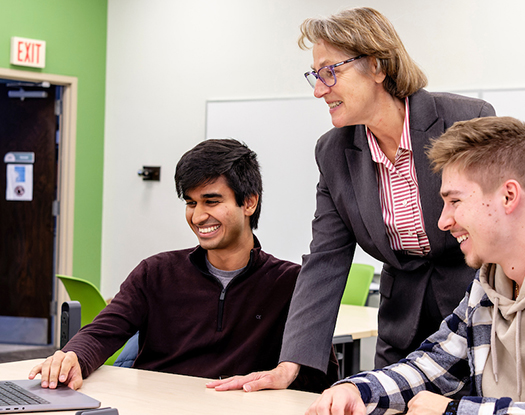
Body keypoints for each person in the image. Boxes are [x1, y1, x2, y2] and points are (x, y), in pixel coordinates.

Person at [208, 7, 495, 393]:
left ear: (377, 65)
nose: (318, 89)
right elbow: (326, 258)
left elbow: (514, 220)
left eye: (330, 72)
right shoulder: (333, 152)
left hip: (480, 317)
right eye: (315, 75)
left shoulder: (466, 119)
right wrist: (290, 363)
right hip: (401, 327)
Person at [305, 116, 525, 415]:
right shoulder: (488, 284)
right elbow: (432, 366)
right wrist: (356, 391)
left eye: (455, 201)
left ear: (509, 196)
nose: (443, 221)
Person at [29, 139, 335, 393]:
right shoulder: (156, 272)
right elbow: (103, 331)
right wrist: (72, 356)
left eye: (211, 202)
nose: (198, 216)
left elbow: (321, 376)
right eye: (190, 203)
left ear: (249, 203)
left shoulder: (291, 284)